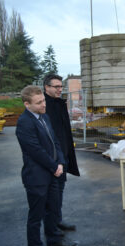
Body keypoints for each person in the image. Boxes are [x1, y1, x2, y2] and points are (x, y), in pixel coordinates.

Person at [16, 86, 77, 246]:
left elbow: (55, 141)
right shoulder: (24, 123)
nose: (44, 104)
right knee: (36, 216)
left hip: (53, 172)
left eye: (43, 100)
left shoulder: (44, 116)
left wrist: (60, 162)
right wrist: (53, 166)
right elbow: (35, 150)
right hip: (37, 177)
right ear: (27, 104)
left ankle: (54, 241)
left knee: (53, 210)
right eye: (39, 103)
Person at [43, 74, 80, 232]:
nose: (60, 89)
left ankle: (57, 221)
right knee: (52, 195)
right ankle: (52, 230)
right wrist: (53, 160)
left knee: (60, 191)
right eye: (56, 87)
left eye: (61, 86)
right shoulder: (45, 106)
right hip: (52, 159)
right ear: (47, 88)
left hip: (63, 156)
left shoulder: (59, 103)